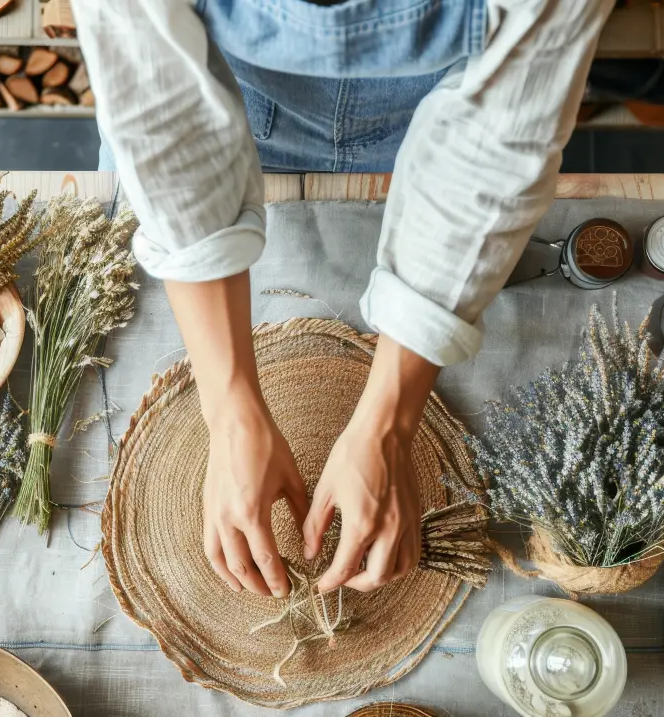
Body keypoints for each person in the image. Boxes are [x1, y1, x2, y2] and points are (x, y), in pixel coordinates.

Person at [76, 0, 615, 599]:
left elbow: (494, 152)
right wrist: (229, 415)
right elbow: (162, 120)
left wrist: (386, 427)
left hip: (436, 123)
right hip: (224, 101)